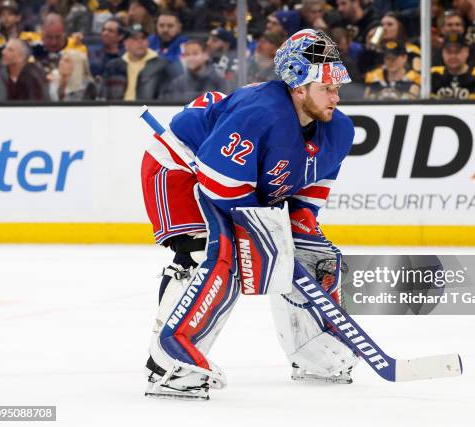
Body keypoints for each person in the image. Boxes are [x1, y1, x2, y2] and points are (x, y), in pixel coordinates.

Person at [141, 29, 358, 400]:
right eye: (326, 88)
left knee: (312, 257)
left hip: (237, 182)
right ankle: (170, 363)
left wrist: (297, 231)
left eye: (337, 87)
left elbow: (307, 192)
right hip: (181, 167)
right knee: (209, 254)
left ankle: (313, 353)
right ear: (299, 89)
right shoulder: (259, 112)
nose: (336, 97)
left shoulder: (339, 129)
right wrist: (261, 233)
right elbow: (217, 185)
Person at [102, 23, 172, 100]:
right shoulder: (113, 66)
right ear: (126, 43)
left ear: (148, 42)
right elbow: (105, 93)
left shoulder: (161, 66)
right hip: (117, 109)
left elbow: (165, 96)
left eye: (143, 38)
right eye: (135, 39)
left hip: (147, 109)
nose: (140, 42)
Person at [160, 38, 224, 102]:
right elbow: (168, 99)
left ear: (206, 55)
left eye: (195, 53)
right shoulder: (177, 82)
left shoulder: (219, 80)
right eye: (187, 54)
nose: (191, 58)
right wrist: (201, 96)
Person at [431, 32, 475, 99]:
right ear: (442, 53)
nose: (453, 56)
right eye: (449, 52)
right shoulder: (433, 73)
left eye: (457, 51)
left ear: (467, 52)